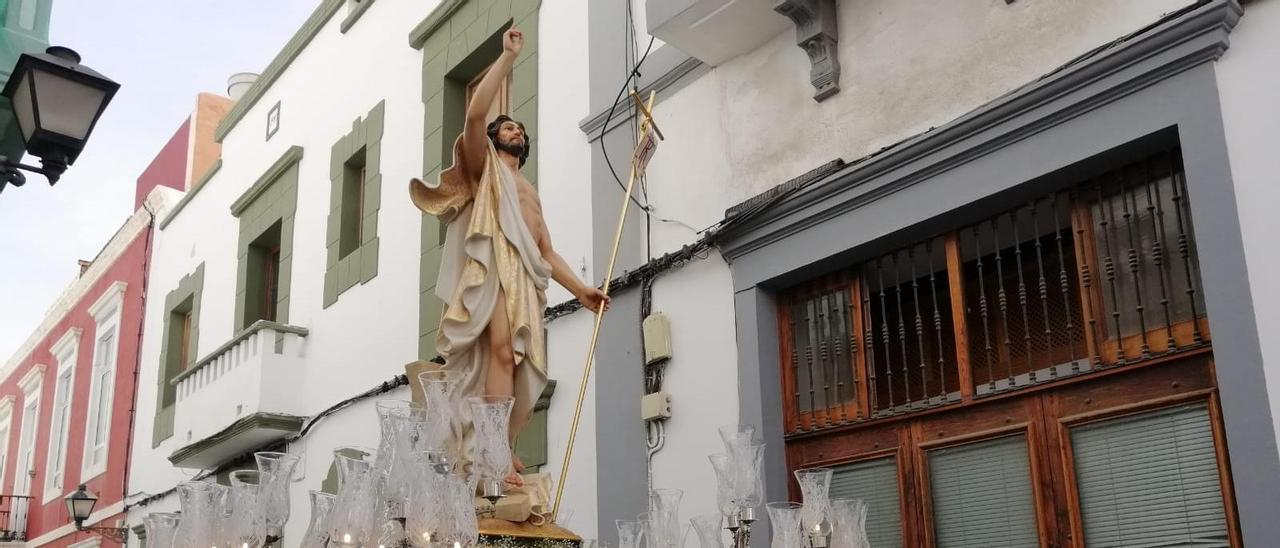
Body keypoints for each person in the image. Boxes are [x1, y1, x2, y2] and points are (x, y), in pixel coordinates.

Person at [410, 28, 609, 486]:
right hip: (494, 268)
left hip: (526, 279)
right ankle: (491, 449)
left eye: (519, 128)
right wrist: (506, 58)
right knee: (500, 348)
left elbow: (544, 250)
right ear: (496, 141)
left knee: (520, 366)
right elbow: (476, 113)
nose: (515, 130)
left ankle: (504, 447)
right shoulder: (487, 173)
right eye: (508, 128)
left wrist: (580, 291)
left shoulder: (529, 191)